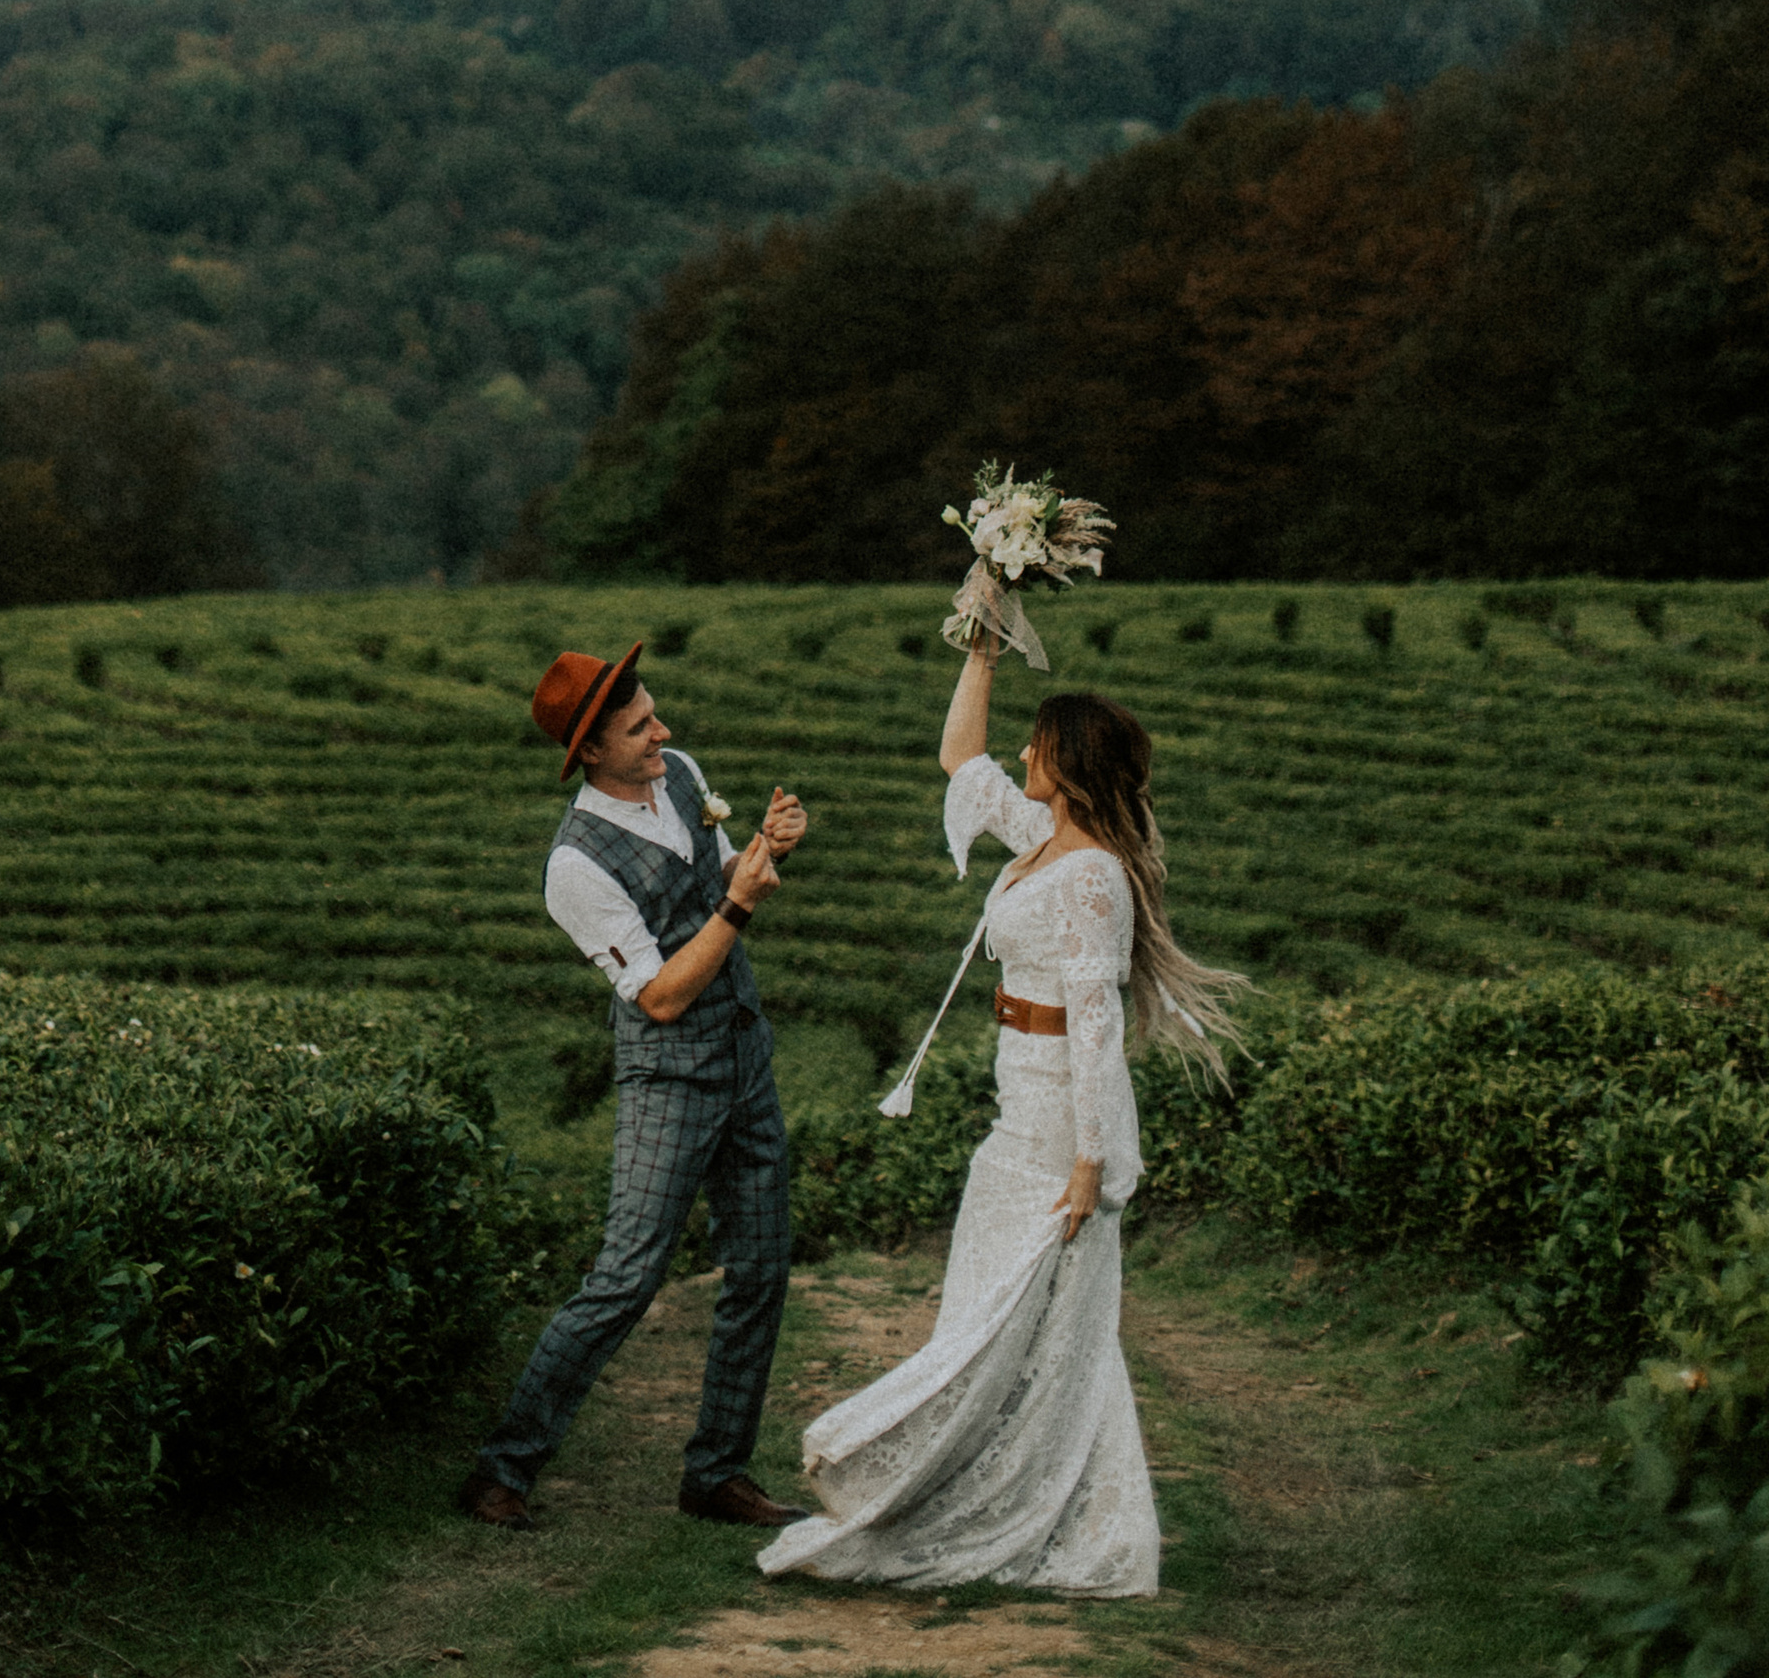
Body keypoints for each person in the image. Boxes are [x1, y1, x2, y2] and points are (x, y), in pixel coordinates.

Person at [757, 632, 1245, 1599]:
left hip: (1059, 1118)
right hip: (1016, 1098)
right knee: (992, 1310)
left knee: (1043, 1320)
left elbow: (1096, 1024)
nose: (1022, 753)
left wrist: (1090, 1162)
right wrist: (981, 646)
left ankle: (1035, 1507)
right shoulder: (1041, 839)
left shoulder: (1093, 874)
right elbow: (960, 757)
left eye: (1038, 745)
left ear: (1070, 765)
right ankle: (965, 1486)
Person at [456, 641, 811, 1532]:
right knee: (626, 1276)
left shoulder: (680, 773)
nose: (663, 731)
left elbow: (717, 877)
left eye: (653, 714)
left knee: (761, 1266)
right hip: (671, 1075)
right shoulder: (575, 867)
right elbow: (658, 996)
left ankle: (718, 1472)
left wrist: (761, 851)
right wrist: (741, 903)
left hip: (744, 1053)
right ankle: (504, 1467)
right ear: (590, 750)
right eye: (639, 726)